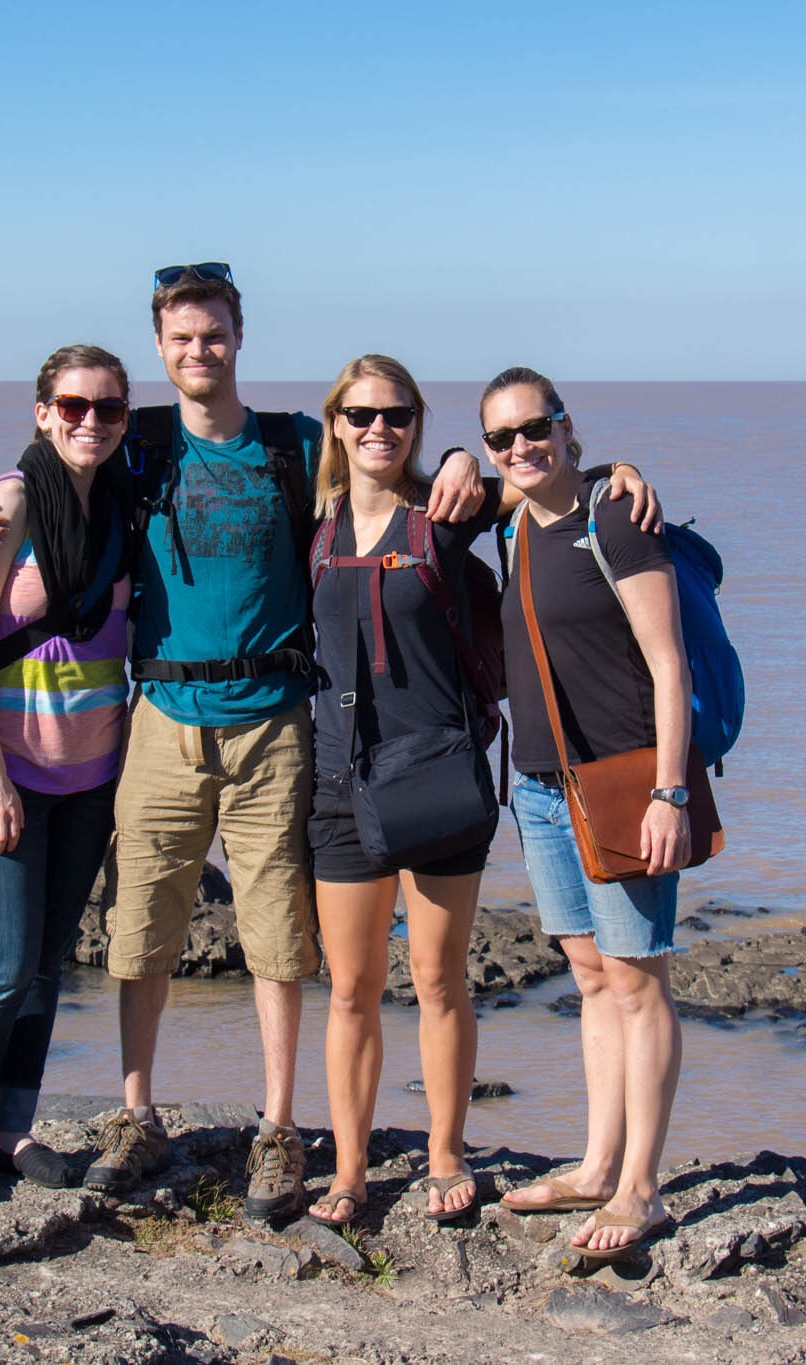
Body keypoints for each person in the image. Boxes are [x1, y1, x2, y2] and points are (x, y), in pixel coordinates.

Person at [0, 265, 490, 1221]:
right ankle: (135, 1115)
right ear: (161, 348)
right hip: (160, 719)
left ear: (239, 336)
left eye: (214, 334)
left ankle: (278, 1128)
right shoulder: (138, 444)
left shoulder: (296, 445)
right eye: (182, 338)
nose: (199, 351)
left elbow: (387, 463)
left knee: (278, 937)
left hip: (276, 722)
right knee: (139, 930)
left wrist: (459, 457)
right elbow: (56, 465)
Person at [484, 366, 696, 1260]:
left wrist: (670, 792)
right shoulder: (512, 524)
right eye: (502, 437)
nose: (521, 446)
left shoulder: (616, 520)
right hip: (540, 788)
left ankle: (641, 1185)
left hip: (624, 783)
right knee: (592, 976)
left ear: (567, 427)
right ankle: (598, 1162)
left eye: (536, 428)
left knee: (639, 981)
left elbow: (669, 664)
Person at [300, 355, 505, 1227]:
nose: (378, 428)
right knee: (351, 988)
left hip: (437, 776)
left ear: (417, 422)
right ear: (336, 425)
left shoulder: (445, 515)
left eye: (397, 414)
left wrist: (468, 457)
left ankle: (446, 1151)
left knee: (438, 979)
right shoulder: (312, 527)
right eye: (361, 415)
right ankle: (349, 1169)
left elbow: (554, 485)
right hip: (339, 781)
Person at [0, 344, 136, 1200]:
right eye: (73, 405)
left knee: (49, 961)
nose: (91, 421)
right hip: (5, 773)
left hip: (90, 778)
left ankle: (15, 1128)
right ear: (43, 412)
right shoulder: (8, 503)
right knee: (4, 962)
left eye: (109, 408)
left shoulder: (123, 500)